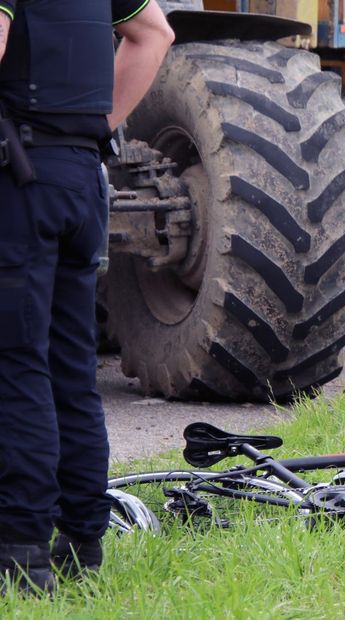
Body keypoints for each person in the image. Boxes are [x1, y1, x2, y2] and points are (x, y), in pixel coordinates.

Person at [0, 0, 173, 594]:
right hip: (82, 180)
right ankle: (82, 543)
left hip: (22, 178)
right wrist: (94, 132)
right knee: (70, 369)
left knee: (16, 365)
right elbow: (154, 33)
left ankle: (21, 557)